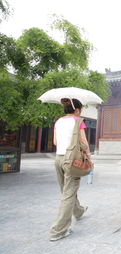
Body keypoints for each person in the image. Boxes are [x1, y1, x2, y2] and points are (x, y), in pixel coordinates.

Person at [49, 98, 90, 241]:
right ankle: (58, 231)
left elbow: (55, 142)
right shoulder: (78, 121)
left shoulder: (58, 122)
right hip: (71, 161)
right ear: (77, 110)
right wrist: (89, 158)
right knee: (68, 194)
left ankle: (78, 211)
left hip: (58, 159)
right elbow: (84, 143)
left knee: (67, 191)